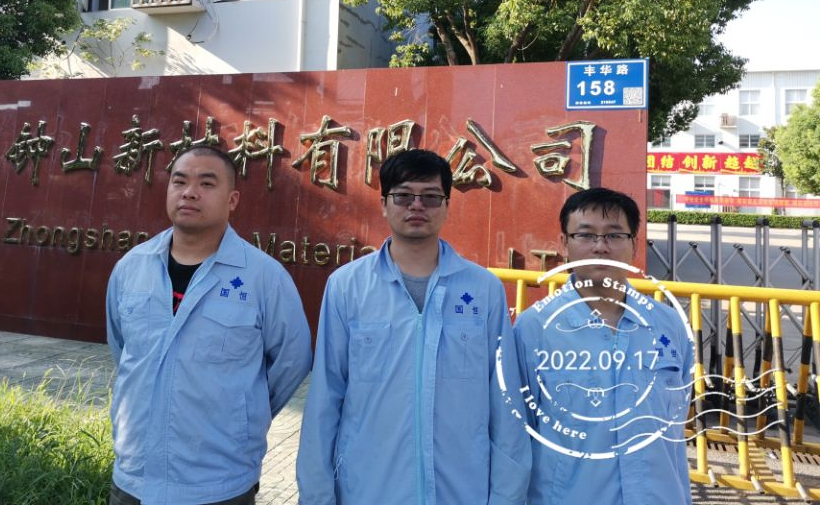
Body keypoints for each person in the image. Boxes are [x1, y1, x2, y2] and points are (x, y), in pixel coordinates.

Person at [296, 149, 530, 505]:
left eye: (431, 197)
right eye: (403, 196)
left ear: (447, 206)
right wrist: (317, 496)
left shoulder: (483, 289)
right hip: (369, 491)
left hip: (462, 491)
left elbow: (505, 401)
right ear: (384, 204)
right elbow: (325, 399)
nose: (417, 206)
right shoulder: (347, 286)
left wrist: (506, 497)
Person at [106, 145, 312, 505]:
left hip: (220, 482)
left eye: (206, 183)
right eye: (179, 181)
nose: (189, 192)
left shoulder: (263, 277)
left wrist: (243, 412)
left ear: (232, 199)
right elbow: (123, 349)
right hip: (134, 478)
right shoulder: (132, 267)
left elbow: (291, 361)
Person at [512, 187, 694, 505]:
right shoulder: (534, 329)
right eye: (585, 235)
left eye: (614, 235)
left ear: (634, 244)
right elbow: (515, 436)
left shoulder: (668, 324)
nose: (600, 246)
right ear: (564, 244)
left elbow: (676, 432)